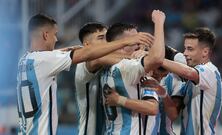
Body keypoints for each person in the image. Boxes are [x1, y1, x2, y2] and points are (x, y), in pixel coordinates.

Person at [16, 14, 153, 135]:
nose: (56, 39)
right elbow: (94, 56)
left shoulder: (26, 60)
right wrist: (129, 46)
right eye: (101, 38)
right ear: (46, 35)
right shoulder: (88, 61)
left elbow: (60, 53)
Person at [101, 10, 165, 135]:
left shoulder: (105, 66)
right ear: (121, 44)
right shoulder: (126, 66)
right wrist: (159, 22)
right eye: (135, 40)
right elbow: (152, 108)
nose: (140, 43)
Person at [159, 27, 222, 135]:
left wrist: (157, 59)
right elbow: (174, 114)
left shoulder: (210, 71)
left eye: (190, 49)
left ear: (205, 52)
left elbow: (188, 72)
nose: (185, 53)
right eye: (185, 48)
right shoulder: (191, 80)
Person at [75, 22, 134, 135]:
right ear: (87, 45)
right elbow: (97, 59)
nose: (106, 42)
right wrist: (141, 58)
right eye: (101, 38)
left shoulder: (109, 64)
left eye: (107, 38)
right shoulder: (84, 63)